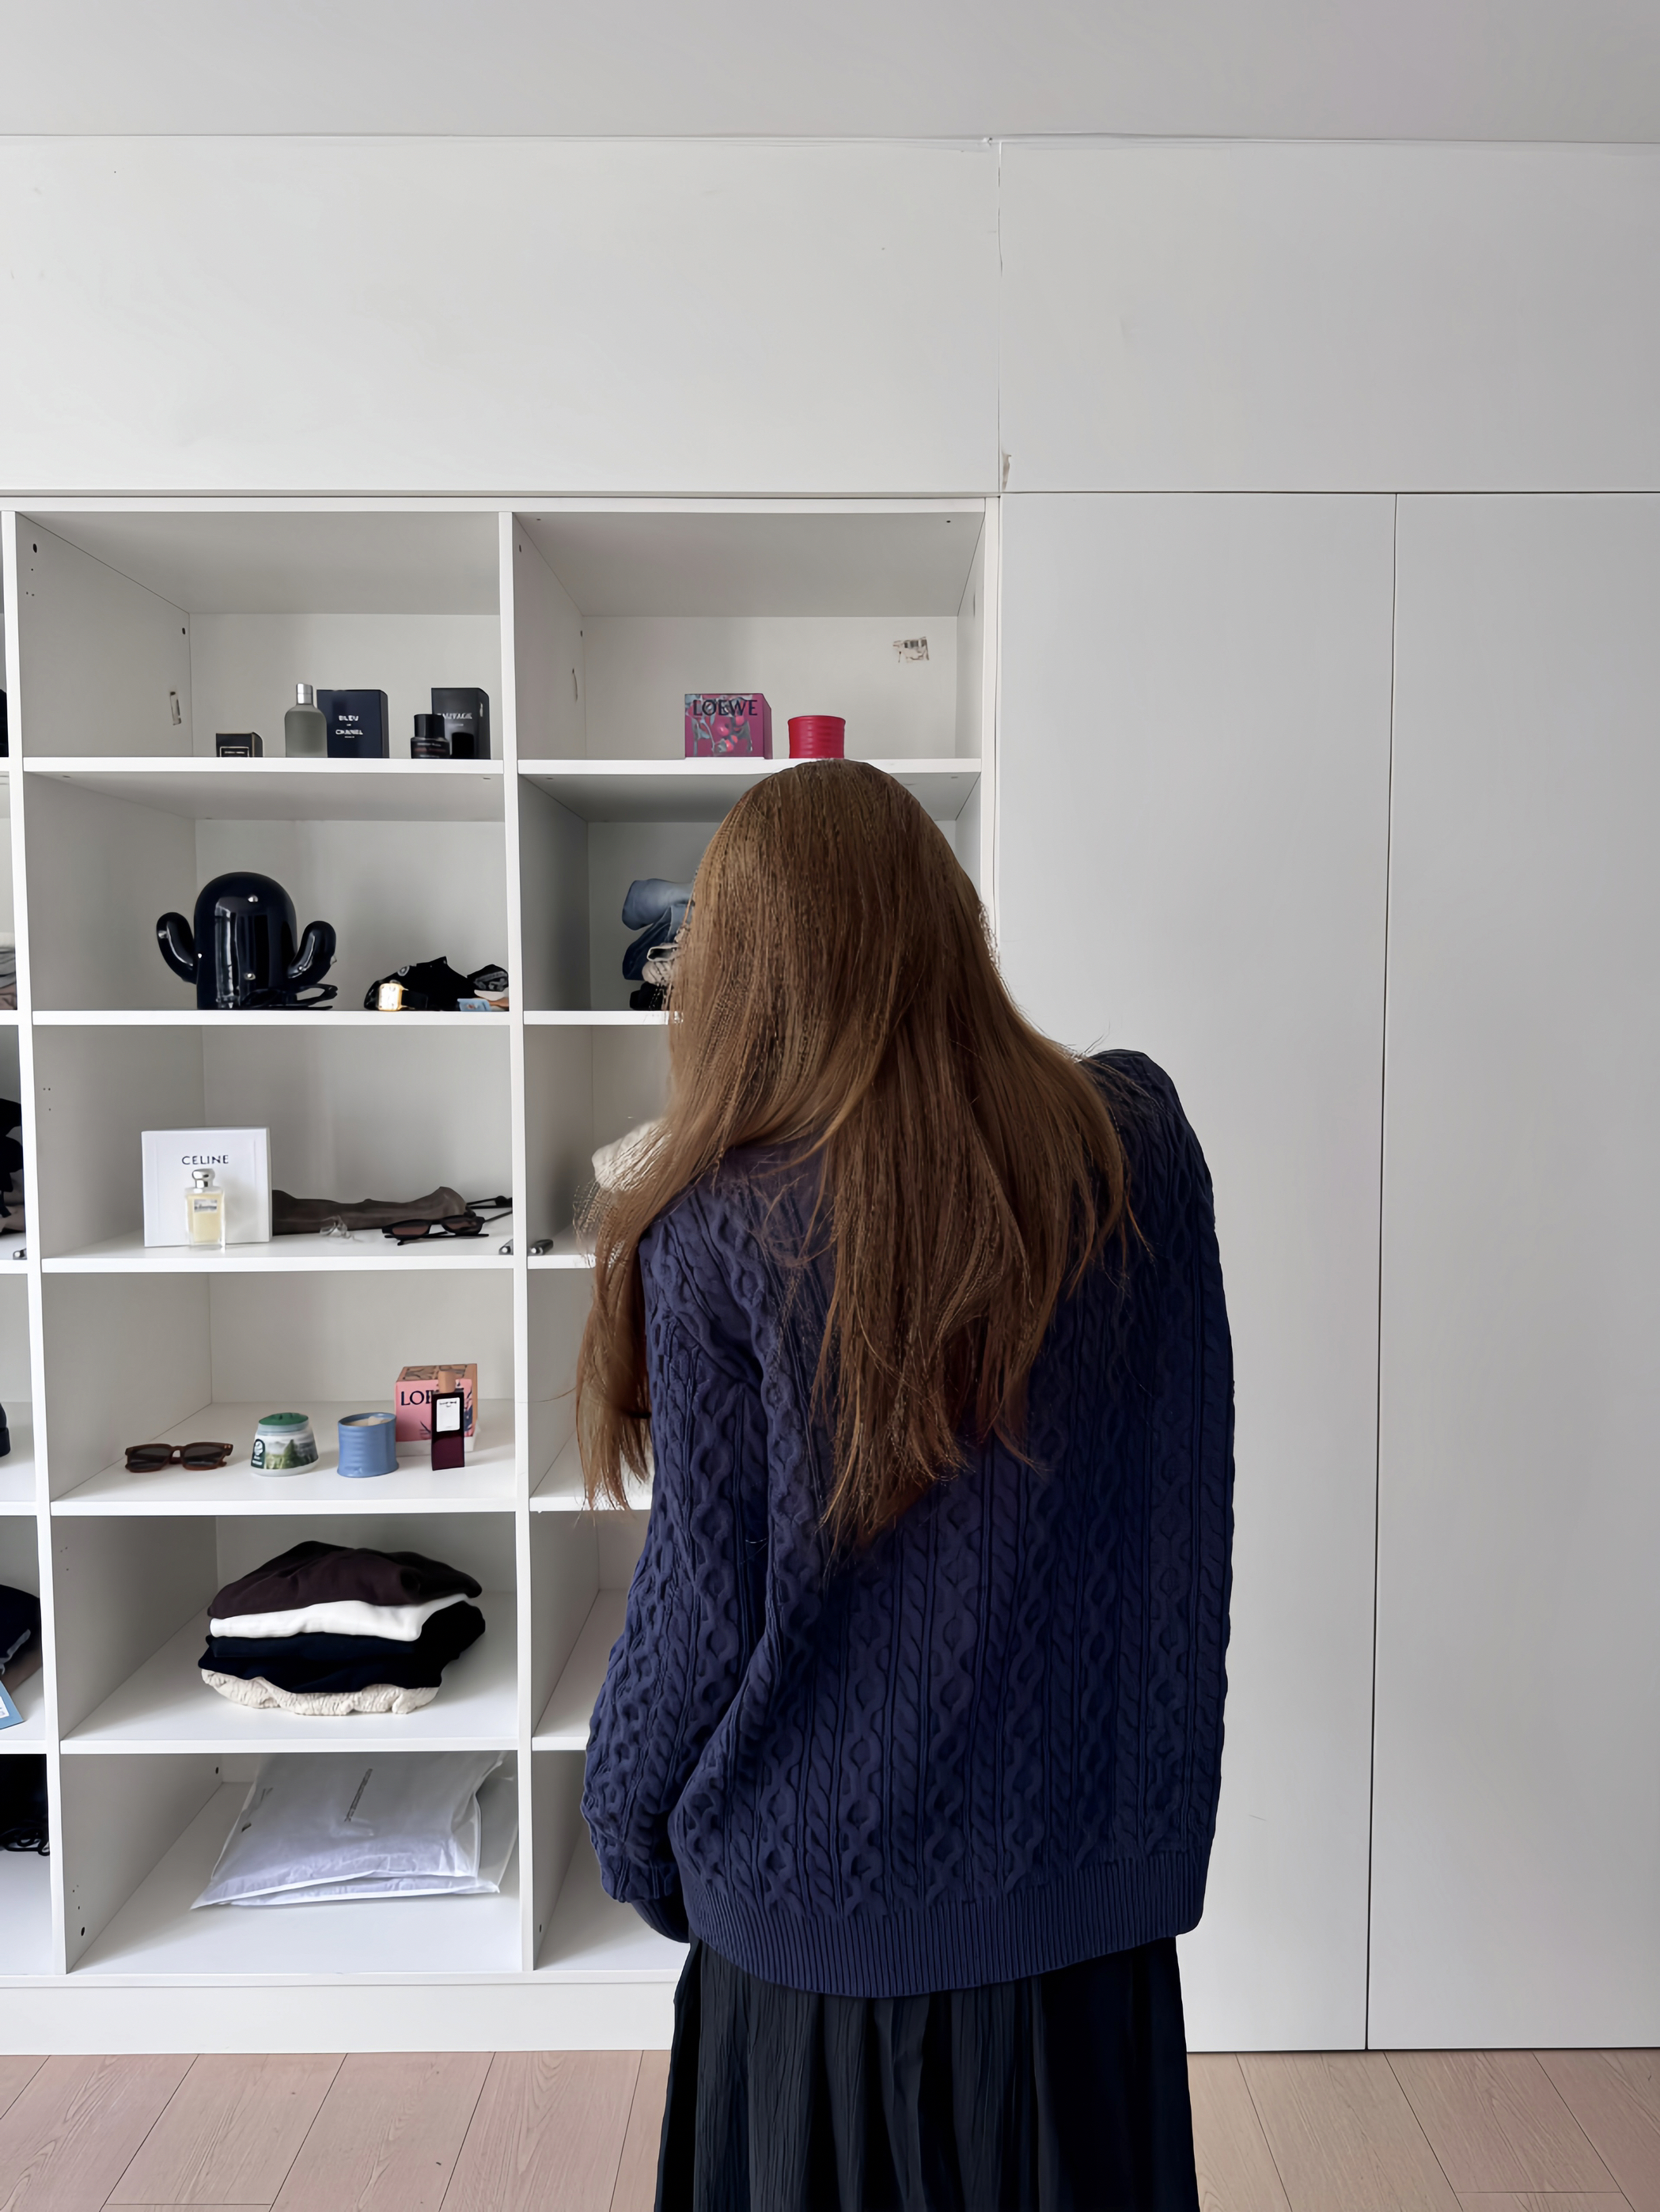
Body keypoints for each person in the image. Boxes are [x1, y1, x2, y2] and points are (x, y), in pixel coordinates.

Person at [579, 759, 1234, 2211]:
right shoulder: (1135, 1149)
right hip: (1083, 1917)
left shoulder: (712, 1225)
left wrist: (625, 1827)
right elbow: (1183, 1512)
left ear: (737, 972)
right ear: (950, 919)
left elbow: (699, 1609)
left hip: (810, 1935)